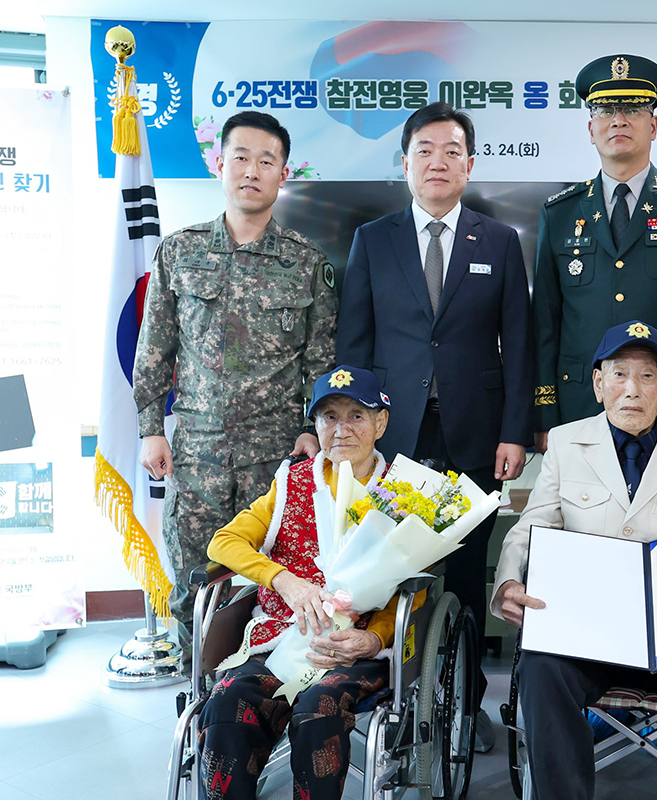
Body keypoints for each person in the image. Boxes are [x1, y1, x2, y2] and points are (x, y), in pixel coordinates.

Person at [335, 101, 533, 750]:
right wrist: (353, 434)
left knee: (467, 574)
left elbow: (519, 344)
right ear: (405, 163)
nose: (438, 162)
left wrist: (515, 432)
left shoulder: (498, 241)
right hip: (395, 436)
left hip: (474, 434)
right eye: (425, 150)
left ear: (470, 165)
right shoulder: (374, 240)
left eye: (452, 151)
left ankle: (465, 706)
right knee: (386, 572)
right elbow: (354, 346)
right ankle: (390, 701)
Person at [492, 321, 657, 800]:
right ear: (598, 383)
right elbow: (532, 525)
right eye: (619, 374)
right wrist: (509, 581)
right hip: (587, 635)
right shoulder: (565, 444)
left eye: (647, 376)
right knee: (540, 668)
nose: (632, 389)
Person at [134, 111, 337, 655]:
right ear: (219, 164)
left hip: (277, 459)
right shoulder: (180, 251)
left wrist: (312, 430)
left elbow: (321, 363)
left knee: (275, 583)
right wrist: (150, 428)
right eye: (241, 158)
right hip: (197, 454)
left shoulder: (306, 262)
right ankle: (197, 688)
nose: (251, 171)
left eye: (266, 161)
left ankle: (256, 687)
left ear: (283, 174)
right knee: (194, 583)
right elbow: (154, 347)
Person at [200, 364, 395, 800]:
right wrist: (284, 581)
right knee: (228, 699)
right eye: (329, 417)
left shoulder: (402, 493)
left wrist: (375, 639)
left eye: (357, 416)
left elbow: (412, 590)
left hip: (354, 649)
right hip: (280, 637)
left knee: (318, 709)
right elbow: (223, 542)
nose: (341, 429)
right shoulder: (292, 483)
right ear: (316, 425)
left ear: (380, 423)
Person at [532, 54, 657, 448]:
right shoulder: (560, 212)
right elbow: (545, 325)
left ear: (653, 125)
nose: (618, 120)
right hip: (580, 407)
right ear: (591, 129)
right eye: (605, 110)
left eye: (633, 109)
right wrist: (545, 413)